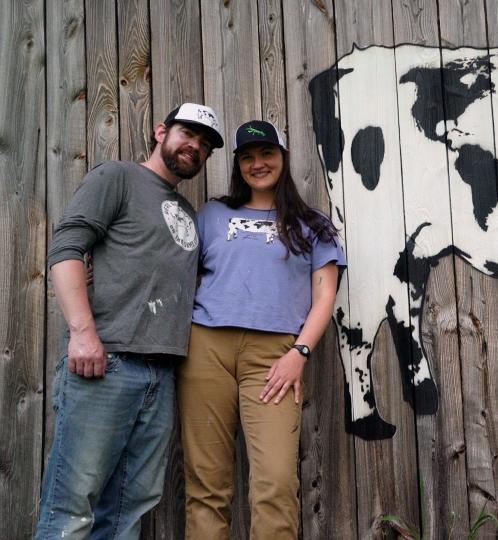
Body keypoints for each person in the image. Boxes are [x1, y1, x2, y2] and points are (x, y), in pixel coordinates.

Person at [37, 103, 224, 539]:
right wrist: (83, 334)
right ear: (161, 131)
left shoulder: (185, 211)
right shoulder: (117, 177)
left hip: (162, 374)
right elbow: (66, 247)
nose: (195, 146)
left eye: (205, 144)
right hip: (106, 365)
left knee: (127, 512)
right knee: (71, 509)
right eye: (187, 134)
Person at [178, 120, 344, 539]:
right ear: (238, 165)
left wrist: (299, 354)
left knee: (275, 482)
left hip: (275, 357)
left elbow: (325, 297)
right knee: (207, 483)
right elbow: (174, 271)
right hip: (206, 348)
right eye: (248, 157)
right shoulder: (213, 214)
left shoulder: (313, 224)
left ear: (283, 159)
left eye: (267, 154)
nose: (258, 164)